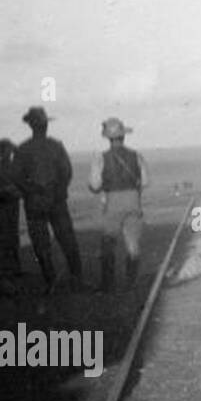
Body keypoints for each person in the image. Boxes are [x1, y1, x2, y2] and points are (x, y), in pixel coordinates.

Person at [13, 106, 82, 294]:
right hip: (56, 199)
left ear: (30, 126)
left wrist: (31, 191)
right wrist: (57, 191)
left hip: (34, 201)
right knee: (67, 238)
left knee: (40, 243)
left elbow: (17, 177)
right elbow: (66, 172)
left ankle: (51, 281)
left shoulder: (22, 149)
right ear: (45, 125)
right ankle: (77, 279)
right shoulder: (56, 146)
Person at [88, 117, 149, 291]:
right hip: (133, 201)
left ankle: (107, 285)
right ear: (123, 136)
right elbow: (145, 181)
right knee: (133, 244)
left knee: (108, 244)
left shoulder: (100, 158)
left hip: (113, 202)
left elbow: (94, 185)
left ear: (107, 137)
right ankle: (131, 283)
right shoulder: (137, 156)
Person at [0, 138, 21, 295]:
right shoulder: (5, 166)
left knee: (13, 235)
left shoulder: (13, 166)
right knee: (6, 236)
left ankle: (15, 268)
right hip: (4, 205)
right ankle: (9, 272)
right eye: (7, 149)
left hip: (12, 204)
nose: (10, 152)